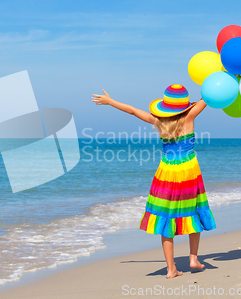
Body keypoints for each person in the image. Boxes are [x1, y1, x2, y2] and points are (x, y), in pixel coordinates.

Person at [92, 84, 216, 279]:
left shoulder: (158, 121)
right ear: (185, 106)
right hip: (189, 171)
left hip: (166, 171)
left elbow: (132, 111)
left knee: (166, 216)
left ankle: (170, 268)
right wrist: (231, 74)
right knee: (194, 210)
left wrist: (110, 101)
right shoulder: (189, 117)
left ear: (165, 106)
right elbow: (209, 96)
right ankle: (193, 258)